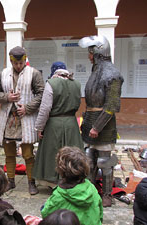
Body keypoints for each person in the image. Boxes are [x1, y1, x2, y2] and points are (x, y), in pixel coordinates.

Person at [0, 46, 45, 195]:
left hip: (25, 119)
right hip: (8, 118)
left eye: (21, 63)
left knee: (28, 153)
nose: (19, 66)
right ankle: (11, 180)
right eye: (16, 63)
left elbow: (42, 94)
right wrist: (6, 97)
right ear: (11, 61)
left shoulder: (34, 74)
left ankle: (31, 182)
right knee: (9, 153)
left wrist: (27, 108)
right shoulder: (3, 74)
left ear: (25, 60)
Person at [78, 35, 124, 207]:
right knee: (89, 159)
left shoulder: (113, 75)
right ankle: (90, 191)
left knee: (104, 162)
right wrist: (88, 123)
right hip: (91, 120)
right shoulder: (96, 71)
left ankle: (107, 195)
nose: (89, 56)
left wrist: (97, 127)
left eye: (90, 52)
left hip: (104, 126)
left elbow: (111, 106)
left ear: (98, 53)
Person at [32, 64, 83, 186]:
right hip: (71, 124)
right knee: (72, 154)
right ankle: (72, 180)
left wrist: (39, 127)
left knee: (53, 153)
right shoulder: (76, 84)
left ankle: (52, 181)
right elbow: (78, 102)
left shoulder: (51, 83)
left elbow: (45, 109)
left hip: (54, 125)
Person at [41, 146, 103, 225]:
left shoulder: (58, 196)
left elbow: (45, 214)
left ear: (60, 169)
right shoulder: (92, 189)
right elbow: (100, 215)